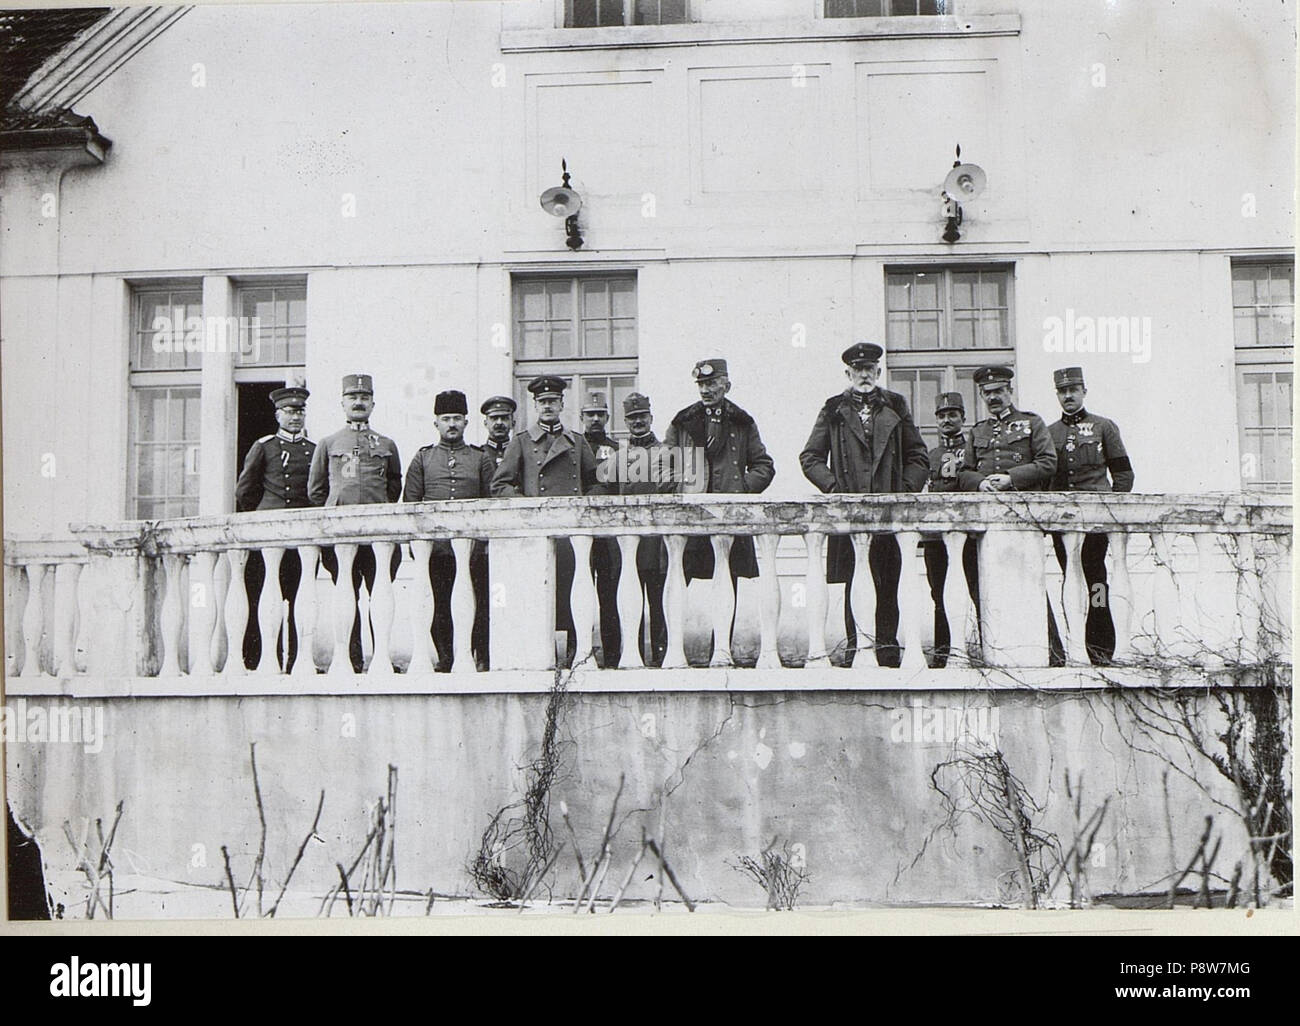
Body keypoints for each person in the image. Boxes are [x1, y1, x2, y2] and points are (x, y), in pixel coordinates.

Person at [799, 343, 929, 667]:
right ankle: (857, 650)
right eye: (858, 370)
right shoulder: (833, 409)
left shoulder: (896, 405)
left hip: (888, 515)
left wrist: (903, 491)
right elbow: (810, 457)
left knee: (889, 585)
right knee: (854, 584)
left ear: (879, 372)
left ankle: (887, 652)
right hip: (850, 516)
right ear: (848, 373)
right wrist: (834, 488)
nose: (864, 375)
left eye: (870, 369)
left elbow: (919, 456)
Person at [663, 358, 775, 664]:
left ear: (726, 384)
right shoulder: (682, 421)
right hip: (691, 517)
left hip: (728, 516)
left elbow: (764, 465)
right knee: (675, 580)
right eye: (701, 384)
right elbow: (663, 465)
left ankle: (720, 650)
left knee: (727, 580)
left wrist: (740, 489)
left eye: (712, 384)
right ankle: (667, 649)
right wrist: (681, 491)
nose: (706, 390)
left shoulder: (742, 422)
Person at [490, 375, 604, 667]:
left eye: (553, 401)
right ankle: (542, 656)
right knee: (540, 597)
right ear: (535, 405)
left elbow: (596, 483)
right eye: (543, 402)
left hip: (572, 534)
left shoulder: (577, 442)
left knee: (575, 594)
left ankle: (577, 656)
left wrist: (583, 507)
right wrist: (530, 508)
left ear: (562, 404)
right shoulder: (522, 443)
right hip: (538, 536)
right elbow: (500, 485)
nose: (548, 406)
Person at [307, 373, 403, 672]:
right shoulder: (329, 443)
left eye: (364, 397)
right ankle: (350, 658)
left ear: (373, 403)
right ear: (343, 403)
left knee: (380, 597)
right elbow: (316, 490)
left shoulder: (387, 443)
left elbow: (393, 485)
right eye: (353, 397)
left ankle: (382, 658)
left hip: (378, 535)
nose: (359, 402)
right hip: (342, 536)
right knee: (346, 596)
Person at [1047, 366, 1135, 665]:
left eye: (1073, 390)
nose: (1068, 395)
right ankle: (1076, 646)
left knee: (1096, 580)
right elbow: (1047, 480)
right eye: (1062, 391)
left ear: (1084, 391)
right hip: (1064, 523)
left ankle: (1100, 646)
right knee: (1070, 581)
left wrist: (1112, 514)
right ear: (1057, 394)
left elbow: (1123, 474)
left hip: (1096, 522)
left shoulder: (1103, 427)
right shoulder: (1050, 433)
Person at [403, 389, 495, 671]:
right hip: (437, 548)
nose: (452, 424)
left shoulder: (480, 458)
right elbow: (411, 503)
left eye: (457, 418)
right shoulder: (423, 458)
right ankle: (446, 656)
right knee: (439, 604)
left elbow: (490, 502)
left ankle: (478, 655)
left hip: (472, 549)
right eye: (446, 419)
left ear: (467, 422)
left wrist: (484, 542)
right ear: (436, 424)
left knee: (477, 604)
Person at [234, 385, 315, 671]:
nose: (295, 417)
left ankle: (294, 661)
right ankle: (255, 660)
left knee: (298, 602)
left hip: (299, 539)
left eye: (300, 412)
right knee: (260, 600)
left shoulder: (312, 450)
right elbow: (245, 491)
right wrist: (261, 518)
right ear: (278, 414)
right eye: (290, 412)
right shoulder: (264, 446)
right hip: (267, 537)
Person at [920, 391, 979, 667]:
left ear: (963, 419)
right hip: (936, 537)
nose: (947, 420)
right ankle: (943, 653)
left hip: (969, 535)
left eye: (952, 415)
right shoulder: (930, 455)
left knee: (978, 591)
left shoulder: (974, 449)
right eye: (942, 416)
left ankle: (986, 649)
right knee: (940, 593)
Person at [616, 392, 671, 667]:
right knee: (631, 602)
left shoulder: (666, 452)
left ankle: (661, 657)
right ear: (626, 421)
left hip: (657, 542)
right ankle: (633, 655)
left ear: (651, 418)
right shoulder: (618, 457)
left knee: (659, 604)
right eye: (632, 418)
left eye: (642, 417)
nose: (638, 422)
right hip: (629, 545)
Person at [957, 366, 1057, 492]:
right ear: (981, 395)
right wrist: (979, 483)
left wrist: (1011, 478)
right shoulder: (978, 430)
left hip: (1024, 500)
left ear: (1010, 391)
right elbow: (965, 471)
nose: (992, 398)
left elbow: (1048, 463)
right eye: (987, 393)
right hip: (984, 502)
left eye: (998, 391)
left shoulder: (1032, 422)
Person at [581, 389, 623, 667]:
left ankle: (612, 654)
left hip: (608, 535)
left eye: (600, 414)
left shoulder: (618, 450)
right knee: (578, 591)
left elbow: (621, 487)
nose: (595, 419)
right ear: (581, 417)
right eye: (589, 414)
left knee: (609, 597)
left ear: (607, 417)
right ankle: (579, 649)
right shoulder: (571, 445)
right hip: (581, 531)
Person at [479, 395, 517, 470]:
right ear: (485, 423)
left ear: (513, 423)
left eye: (504, 418)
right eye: (494, 418)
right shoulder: (478, 455)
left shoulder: (519, 453)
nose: (499, 423)